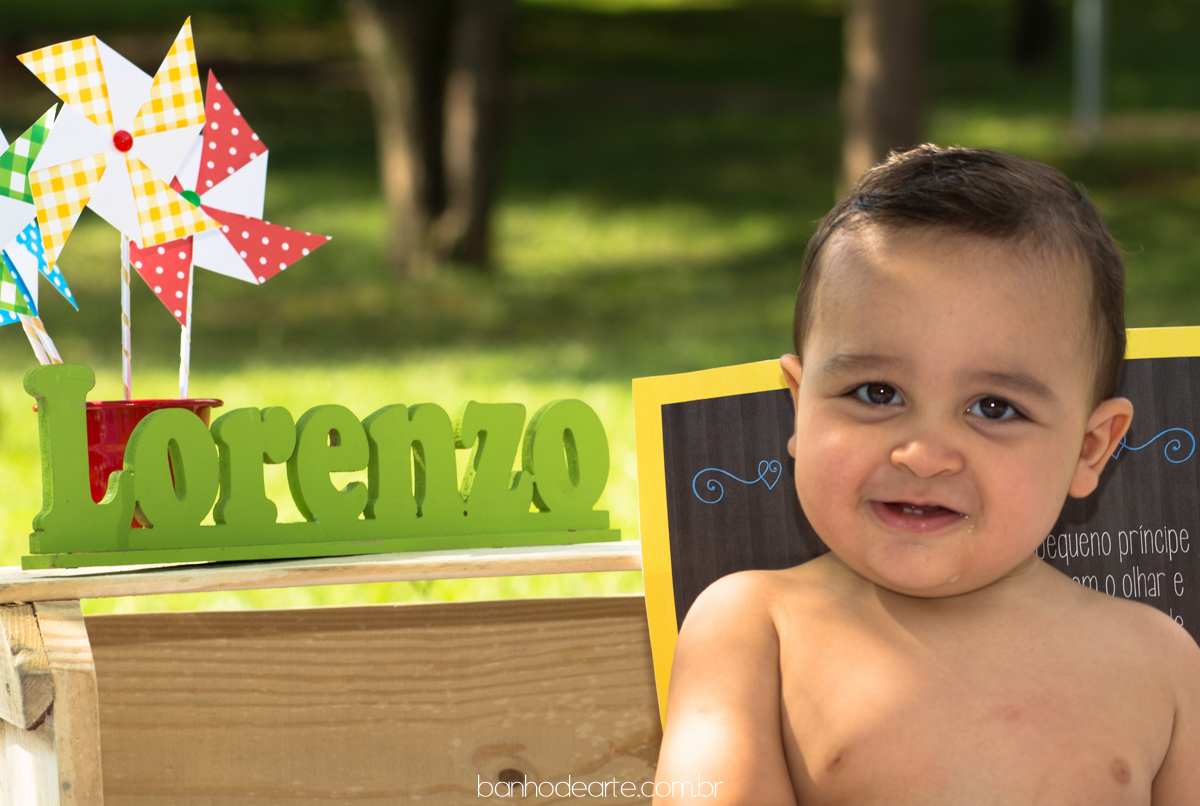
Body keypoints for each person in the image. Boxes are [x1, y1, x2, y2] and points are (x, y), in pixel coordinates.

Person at [652, 145, 1200, 804]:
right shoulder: (756, 630)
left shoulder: (1159, 661)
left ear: (1090, 449)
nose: (924, 453)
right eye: (876, 393)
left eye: (994, 408)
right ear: (799, 405)